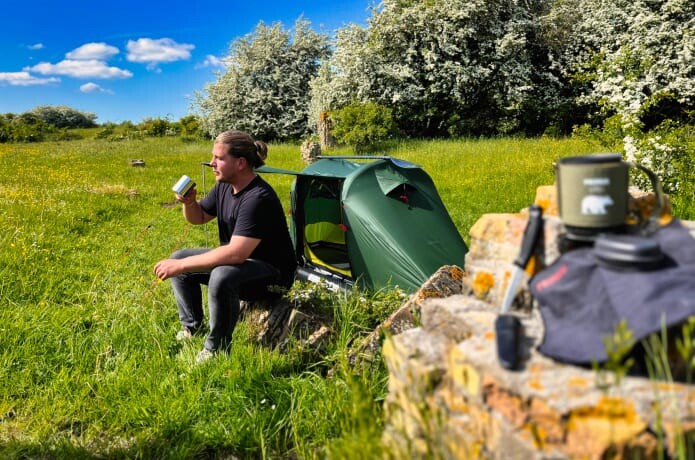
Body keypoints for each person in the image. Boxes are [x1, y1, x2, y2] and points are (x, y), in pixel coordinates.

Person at [154, 130, 297, 363]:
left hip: (273, 276)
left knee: (218, 274)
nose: (212, 163)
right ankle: (191, 327)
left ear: (240, 163)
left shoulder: (258, 198)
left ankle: (216, 348)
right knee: (179, 257)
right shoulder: (224, 186)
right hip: (244, 263)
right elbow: (199, 217)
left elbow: (236, 253)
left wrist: (182, 265)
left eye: (219, 158)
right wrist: (189, 203)